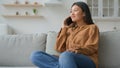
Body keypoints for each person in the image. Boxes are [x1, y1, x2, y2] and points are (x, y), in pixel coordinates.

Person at [30, 1, 99, 68]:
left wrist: (77, 50)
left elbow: (92, 47)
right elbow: (59, 48)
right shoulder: (69, 29)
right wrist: (64, 28)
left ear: (84, 13)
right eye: (71, 11)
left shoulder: (92, 28)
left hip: (87, 60)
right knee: (35, 55)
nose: (72, 13)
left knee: (65, 55)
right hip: (67, 59)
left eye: (75, 10)